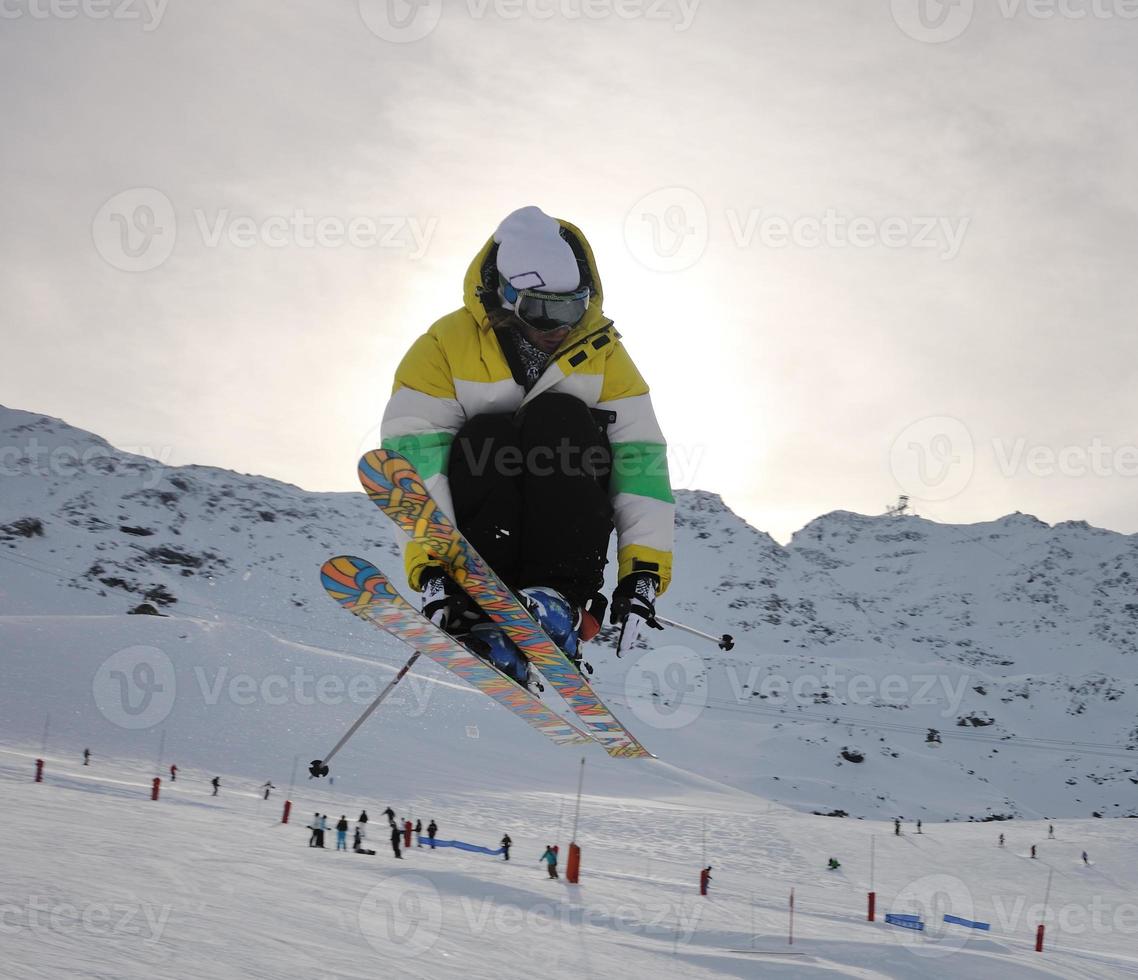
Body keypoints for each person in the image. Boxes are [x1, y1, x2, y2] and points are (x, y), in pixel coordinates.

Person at [378, 205, 675, 682]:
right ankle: (482, 608)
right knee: (486, 436)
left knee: (558, 418)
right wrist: (433, 567)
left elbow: (640, 463)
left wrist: (642, 571)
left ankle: (557, 603)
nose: (560, 326)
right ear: (507, 296)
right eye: (543, 309)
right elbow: (417, 461)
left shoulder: (606, 354)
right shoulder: (442, 347)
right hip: (480, 532)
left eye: (573, 307)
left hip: (567, 528)